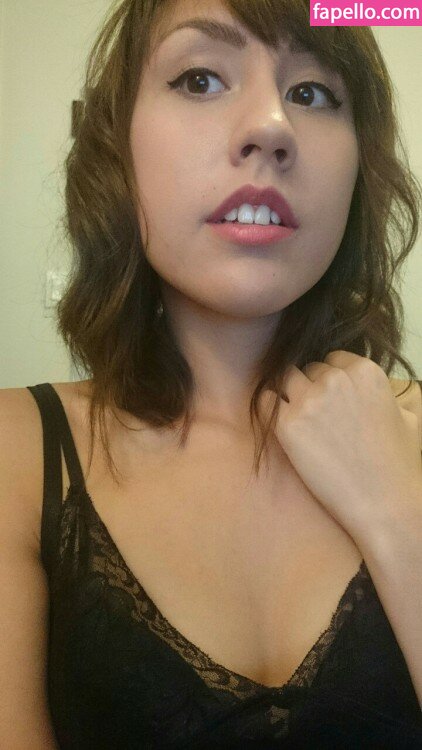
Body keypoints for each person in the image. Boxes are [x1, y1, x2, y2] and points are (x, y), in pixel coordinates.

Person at [1, 0, 422, 747]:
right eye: (200, 79)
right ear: (116, 147)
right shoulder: (16, 457)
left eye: (312, 92)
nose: (271, 126)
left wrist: (400, 514)